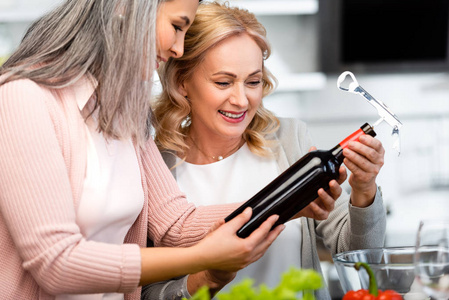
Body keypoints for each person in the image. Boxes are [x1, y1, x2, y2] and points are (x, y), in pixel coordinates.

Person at [0, 0, 288, 299]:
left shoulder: (125, 107)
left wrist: (293, 198)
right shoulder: (22, 98)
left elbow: (175, 224)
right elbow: (57, 264)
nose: (179, 48)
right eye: (177, 27)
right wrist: (203, 257)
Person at [145, 2, 387, 299]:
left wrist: (364, 191)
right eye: (223, 82)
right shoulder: (154, 166)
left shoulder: (290, 139)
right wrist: (208, 279)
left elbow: (360, 259)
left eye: (253, 81)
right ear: (182, 82)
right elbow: (147, 292)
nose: (241, 100)